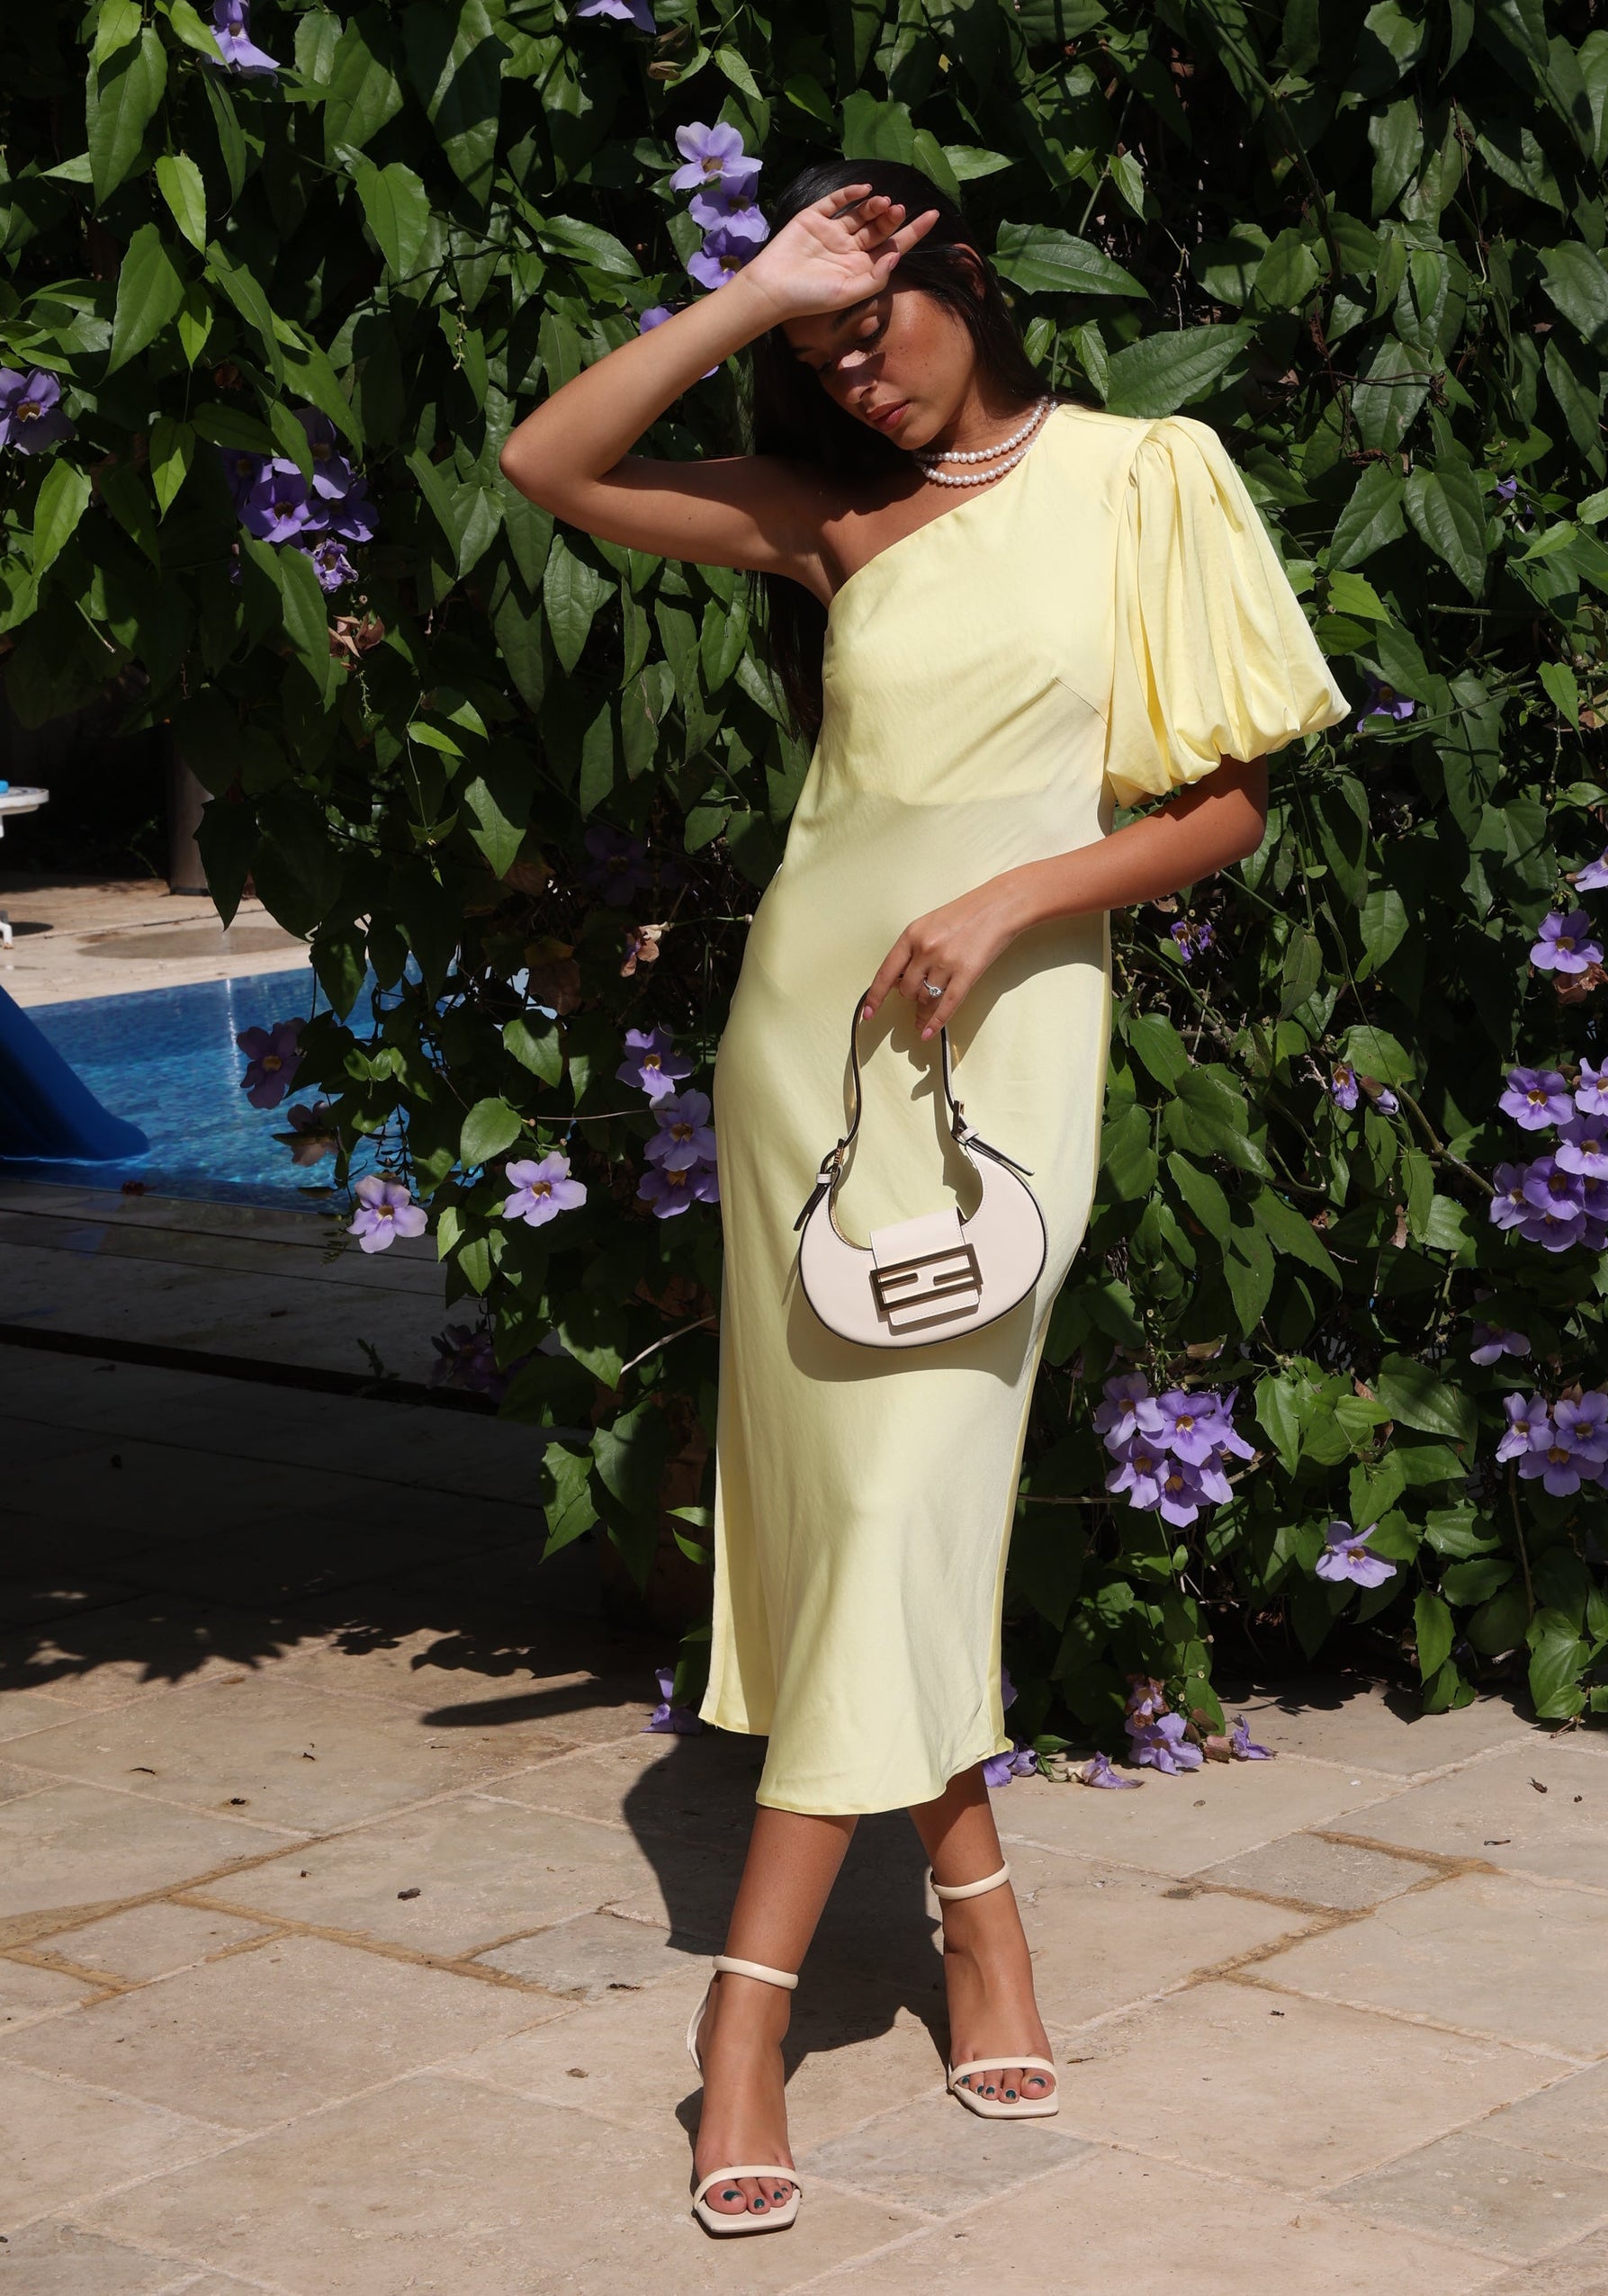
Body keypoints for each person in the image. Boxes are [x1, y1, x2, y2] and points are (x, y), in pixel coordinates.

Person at [499, 160, 1347, 2237]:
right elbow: (548, 463)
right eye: (819, 356)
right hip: (809, 1053)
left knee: (897, 1502)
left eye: (875, 323)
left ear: (968, 273)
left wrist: (1007, 898)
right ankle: (978, 1915)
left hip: (1003, 1045)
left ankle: (743, 2017)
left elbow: (1226, 806)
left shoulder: (1147, 473)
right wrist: (756, 292)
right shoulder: (832, 520)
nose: (855, 376)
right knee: (865, 1514)